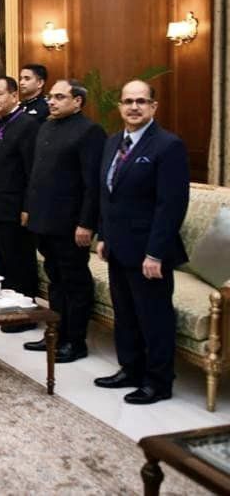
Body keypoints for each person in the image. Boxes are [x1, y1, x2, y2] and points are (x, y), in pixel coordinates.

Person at [93, 80, 189, 405]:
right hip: (118, 248)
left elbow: (170, 206)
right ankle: (130, 370)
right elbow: (107, 195)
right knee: (126, 314)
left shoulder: (168, 145)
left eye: (141, 101)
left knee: (154, 319)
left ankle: (159, 382)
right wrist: (103, 236)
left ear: (153, 106)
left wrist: (155, 253)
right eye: (128, 101)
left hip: (149, 253)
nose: (134, 107)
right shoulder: (112, 143)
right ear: (120, 106)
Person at [23, 79, 106, 363]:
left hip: (71, 224)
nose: (51, 101)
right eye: (50, 97)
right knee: (55, 280)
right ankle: (55, 334)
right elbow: (37, 175)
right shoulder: (47, 127)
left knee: (74, 282)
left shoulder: (90, 131)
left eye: (59, 97)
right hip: (44, 220)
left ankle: (75, 341)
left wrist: (87, 223)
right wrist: (30, 210)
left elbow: (92, 184)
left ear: (77, 101)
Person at [0, 76, 39, 332]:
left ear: (14, 96)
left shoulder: (28, 125)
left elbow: (32, 171)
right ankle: (8, 309)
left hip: (14, 208)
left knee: (19, 262)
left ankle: (25, 314)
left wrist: (28, 207)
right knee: (0, 263)